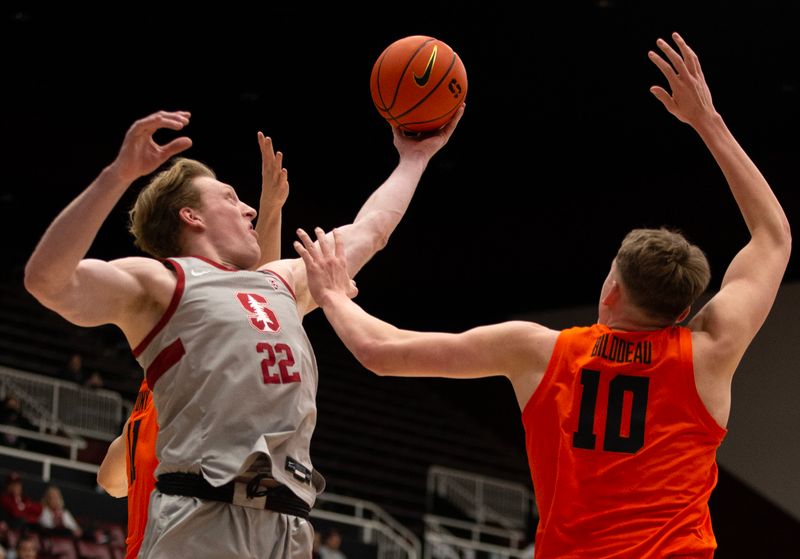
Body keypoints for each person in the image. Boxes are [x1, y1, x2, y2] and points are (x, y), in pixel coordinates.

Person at [294, 33, 791, 558]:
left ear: (612, 290)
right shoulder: (709, 355)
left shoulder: (542, 352)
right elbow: (773, 235)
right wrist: (707, 120)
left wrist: (331, 295)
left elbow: (382, 352)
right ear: (684, 310)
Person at [25, 103, 463, 559]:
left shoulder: (281, 281)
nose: (249, 208)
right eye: (231, 199)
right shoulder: (164, 282)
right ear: (191, 216)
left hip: (289, 524)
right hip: (202, 518)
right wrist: (117, 175)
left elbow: (370, 230)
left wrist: (413, 159)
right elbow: (47, 280)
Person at [96, 129, 291, 559]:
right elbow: (260, 313)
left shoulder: (150, 405)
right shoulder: (185, 375)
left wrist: (132, 444)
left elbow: (110, 481)